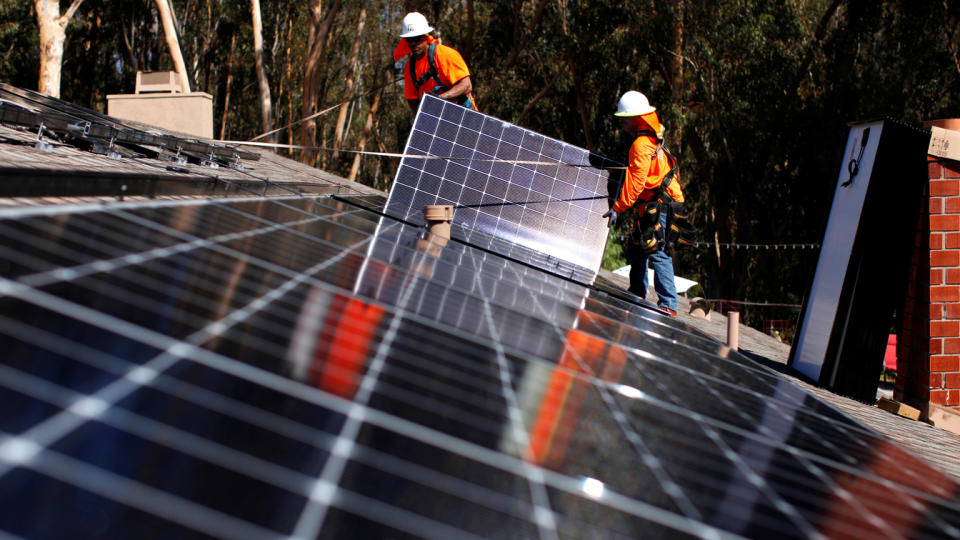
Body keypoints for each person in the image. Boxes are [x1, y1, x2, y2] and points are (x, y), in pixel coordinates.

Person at [604, 91, 685, 318]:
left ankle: (668, 304)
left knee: (657, 250)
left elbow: (636, 184)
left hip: (658, 205)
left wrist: (618, 207)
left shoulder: (641, 144)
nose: (622, 124)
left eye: (625, 119)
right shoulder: (652, 138)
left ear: (637, 117)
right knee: (638, 246)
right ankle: (636, 292)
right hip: (657, 203)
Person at [396, 12, 476, 112]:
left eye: (417, 39)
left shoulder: (445, 54)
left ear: (425, 36)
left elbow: (466, 85)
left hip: (464, 114)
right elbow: (411, 99)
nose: (413, 44)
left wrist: (441, 99)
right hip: (438, 120)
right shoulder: (410, 67)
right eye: (409, 40)